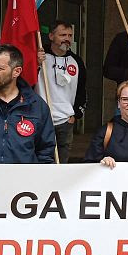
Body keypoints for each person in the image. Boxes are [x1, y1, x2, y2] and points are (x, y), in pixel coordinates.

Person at [36, 21, 87, 163]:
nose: (67, 39)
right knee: (41, 159)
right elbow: (27, 82)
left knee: (62, 162)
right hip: (42, 118)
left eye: (70, 35)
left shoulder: (76, 61)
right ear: (51, 36)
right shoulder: (40, 57)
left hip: (66, 119)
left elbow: (82, 89)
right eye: (63, 35)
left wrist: (76, 114)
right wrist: (35, 63)